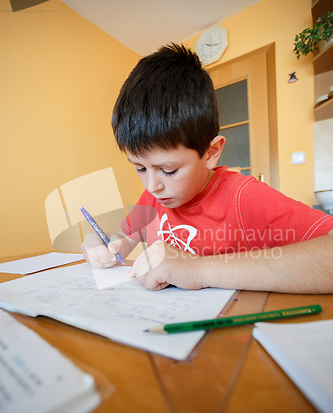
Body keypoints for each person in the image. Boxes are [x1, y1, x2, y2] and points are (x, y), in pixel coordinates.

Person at [82, 43, 333, 294]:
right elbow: (121, 242)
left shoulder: (243, 197)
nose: (152, 186)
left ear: (211, 152)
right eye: (139, 168)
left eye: (169, 171)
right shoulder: (152, 198)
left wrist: (200, 269)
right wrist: (105, 247)